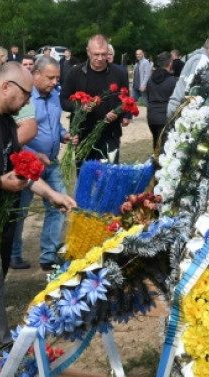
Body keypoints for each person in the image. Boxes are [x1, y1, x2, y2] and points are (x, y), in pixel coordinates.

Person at [0, 61, 75, 274]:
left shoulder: (7, 119)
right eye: (25, 94)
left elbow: (18, 165)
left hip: (0, 211)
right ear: (6, 86)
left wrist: (52, 195)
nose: (27, 103)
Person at [11, 57, 75, 271]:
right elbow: (14, 135)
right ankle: (13, 254)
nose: (55, 82)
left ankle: (49, 255)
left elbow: (54, 123)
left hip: (52, 163)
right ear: (35, 75)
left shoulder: (55, 96)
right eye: (50, 77)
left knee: (59, 205)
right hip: (29, 165)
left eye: (57, 77)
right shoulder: (24, 100)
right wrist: (33, 154)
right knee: (20, 211)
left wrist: (64, 135)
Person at [60, 34, 131, 163]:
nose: (100, 58)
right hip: (83, 135)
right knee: (85, 177)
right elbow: (63, 100)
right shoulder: (75, 73)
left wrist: (117, 113)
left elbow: (126, 102)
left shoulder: (119, 74)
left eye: (104, 54)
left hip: (110, 135)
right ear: (88, 51)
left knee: (108, 178)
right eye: (96, 54)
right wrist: (80, 107)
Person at [167, 34, 209, 120]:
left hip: (179, 109)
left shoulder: (197, 58)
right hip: (182, 113)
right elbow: (190, 87)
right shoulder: (203, 60)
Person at [147, 52, 179, 149]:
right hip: (165, 116)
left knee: (156, 144)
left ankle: (156, 163)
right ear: (170, 64)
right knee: (165, 148)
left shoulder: (150, 80)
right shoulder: (172, 81)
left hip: (152, 116)